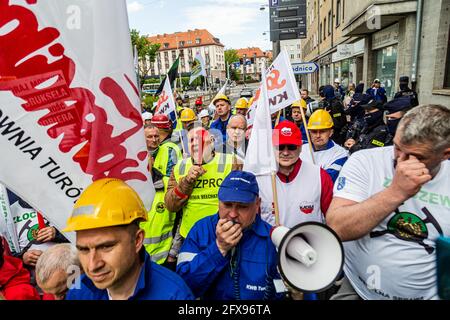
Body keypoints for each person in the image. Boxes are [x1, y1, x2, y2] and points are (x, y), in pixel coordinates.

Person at [327, 104, 450, 300]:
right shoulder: (365, 162)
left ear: (445, 154)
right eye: (397, 147)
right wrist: (396, 191)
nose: (401, 162)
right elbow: (337, 227)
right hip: (358, 289)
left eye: (417, 156)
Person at [64, 178, 194, 300]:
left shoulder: (175, 294)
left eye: (105, 247)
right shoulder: (78, 291)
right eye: (83, 249)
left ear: (137, 240)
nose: (92, 266)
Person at [176, 171, 284, 300]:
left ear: (257, 205)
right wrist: (219, 248)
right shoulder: (201, 230)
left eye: (242, 207)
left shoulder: (272, 238)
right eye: (227, 205)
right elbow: (183, 287)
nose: (232, 214)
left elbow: (280, 293)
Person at [164, 127, 235, 261]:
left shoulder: (231, 162)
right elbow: (170, 205)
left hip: (223, 234)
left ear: (212, 142)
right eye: (191, 140)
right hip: (191, 236)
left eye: (202, 140)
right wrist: (186, 182)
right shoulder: (180, 167)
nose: (197, 144)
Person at [260, 120, 333, 228]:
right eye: (280, 147)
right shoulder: (259, 178)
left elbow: (332, 217)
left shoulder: (319, 176)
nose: (285, 152)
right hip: (270, 243)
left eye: (291, 147)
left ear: (300, 148)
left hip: (308, 243)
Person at [301, 109, 348, 183]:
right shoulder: (300, 149)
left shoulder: (340, 154)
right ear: (309, 132)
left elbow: (327, 180)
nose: (318, 135)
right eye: (314, 132)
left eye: (322, 131)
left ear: (331, 132)